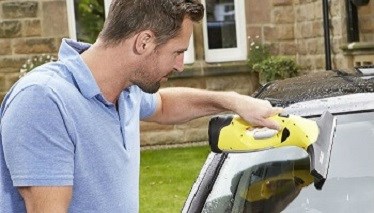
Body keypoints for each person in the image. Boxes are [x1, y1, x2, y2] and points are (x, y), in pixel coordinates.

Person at [0, 0, 282, 212]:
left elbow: (164, 105)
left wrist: (233, 101)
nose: (180, 65)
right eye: (178, 52)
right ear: (144, 42)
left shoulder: (126, 90)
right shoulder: (44, 101)